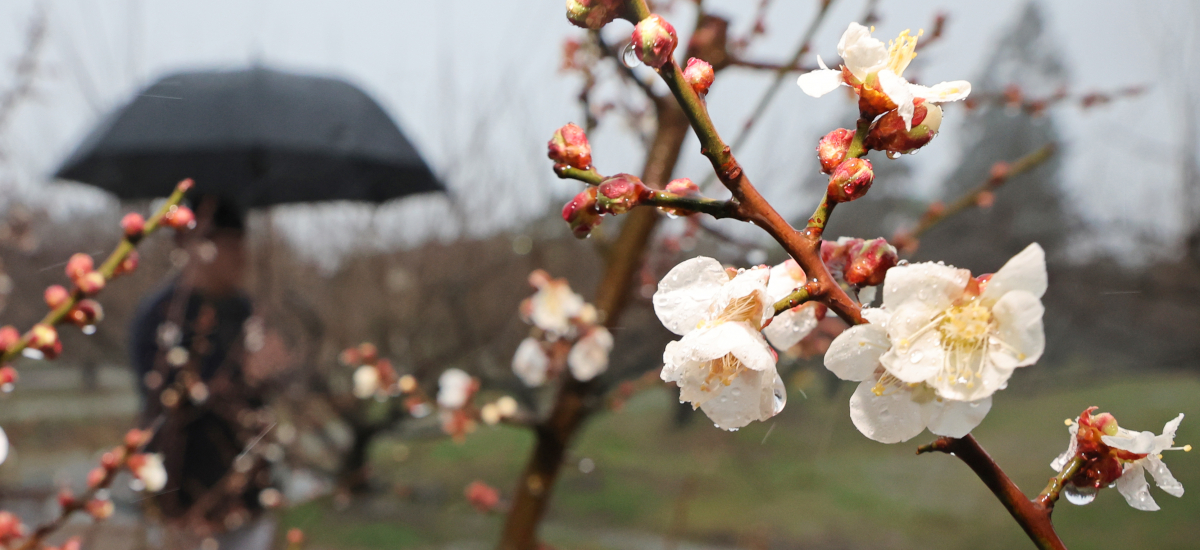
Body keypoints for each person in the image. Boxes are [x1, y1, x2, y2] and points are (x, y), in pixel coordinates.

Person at [129, 195, 275, 549]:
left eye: (243, 244)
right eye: (229, 245)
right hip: (184, 493)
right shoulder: (161, 315)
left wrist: (272, 370)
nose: (241, 256)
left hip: (246, 490)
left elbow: (258, 401)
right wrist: (244, 374)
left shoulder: (245, 309)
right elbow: (166, 402)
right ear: (191, 245)